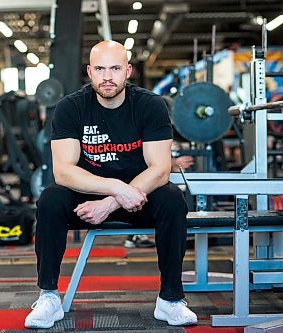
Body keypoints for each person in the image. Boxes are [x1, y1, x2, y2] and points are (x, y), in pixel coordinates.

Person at [24, 40, 198, 329]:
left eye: (115, 68)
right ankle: (49, 297)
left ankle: (170, 300)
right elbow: (64, 172)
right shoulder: (70, 107)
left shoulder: (149, 105)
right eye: (101, 69)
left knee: (172, 199)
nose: (108, 77)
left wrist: (112, 202)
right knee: (50, 199)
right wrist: (116, 188)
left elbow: (160, 170)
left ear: (128, 71)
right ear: (90, 72)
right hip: (87, 197)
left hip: (138, 196)